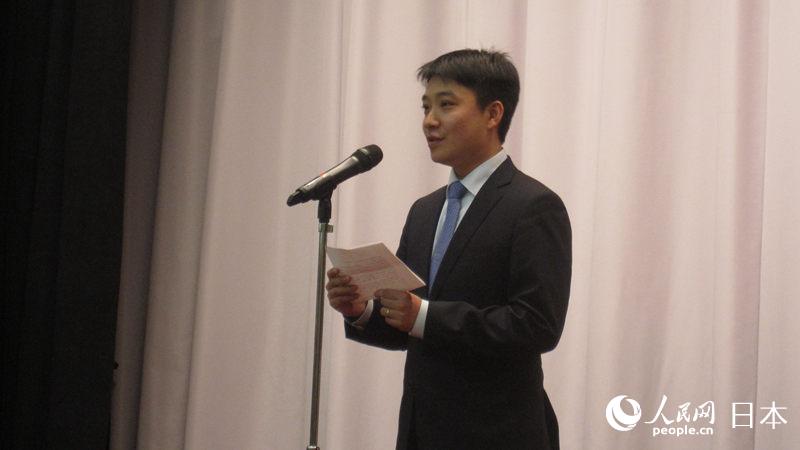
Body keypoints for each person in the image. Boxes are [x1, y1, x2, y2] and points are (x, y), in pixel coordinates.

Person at [326, 49, 572, 450]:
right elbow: (408, 325)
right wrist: (361, 310)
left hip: (499, 434)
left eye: (446, 105)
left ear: (493, 114)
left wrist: (424, 315)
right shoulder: (424, 211)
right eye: (425, 107)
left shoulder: (533, 206)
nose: (429, 120)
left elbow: (537, 325)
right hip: (422, 433)